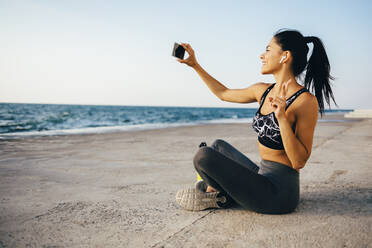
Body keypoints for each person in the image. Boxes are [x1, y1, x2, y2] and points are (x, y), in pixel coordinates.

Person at [174, 28, 336, 214]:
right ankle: (220, 190)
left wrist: (282, 118)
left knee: (203, 156)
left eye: (268, 49)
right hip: (262, 175)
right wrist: (195, 65)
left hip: (279, 195)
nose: (262, 55)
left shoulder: (305, 101)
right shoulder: (263, 90)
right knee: (218, 146)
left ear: (285, 56)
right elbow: (223, 94)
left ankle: (219, 194)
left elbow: (298, 161)